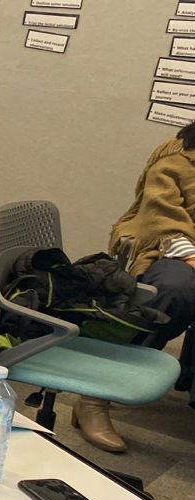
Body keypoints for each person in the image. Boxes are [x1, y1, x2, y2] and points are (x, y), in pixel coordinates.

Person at [75, 122, 195, 451]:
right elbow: (160, 218)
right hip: (174, 250)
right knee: (173, 289)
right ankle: (95, 394)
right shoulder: (178, 157)